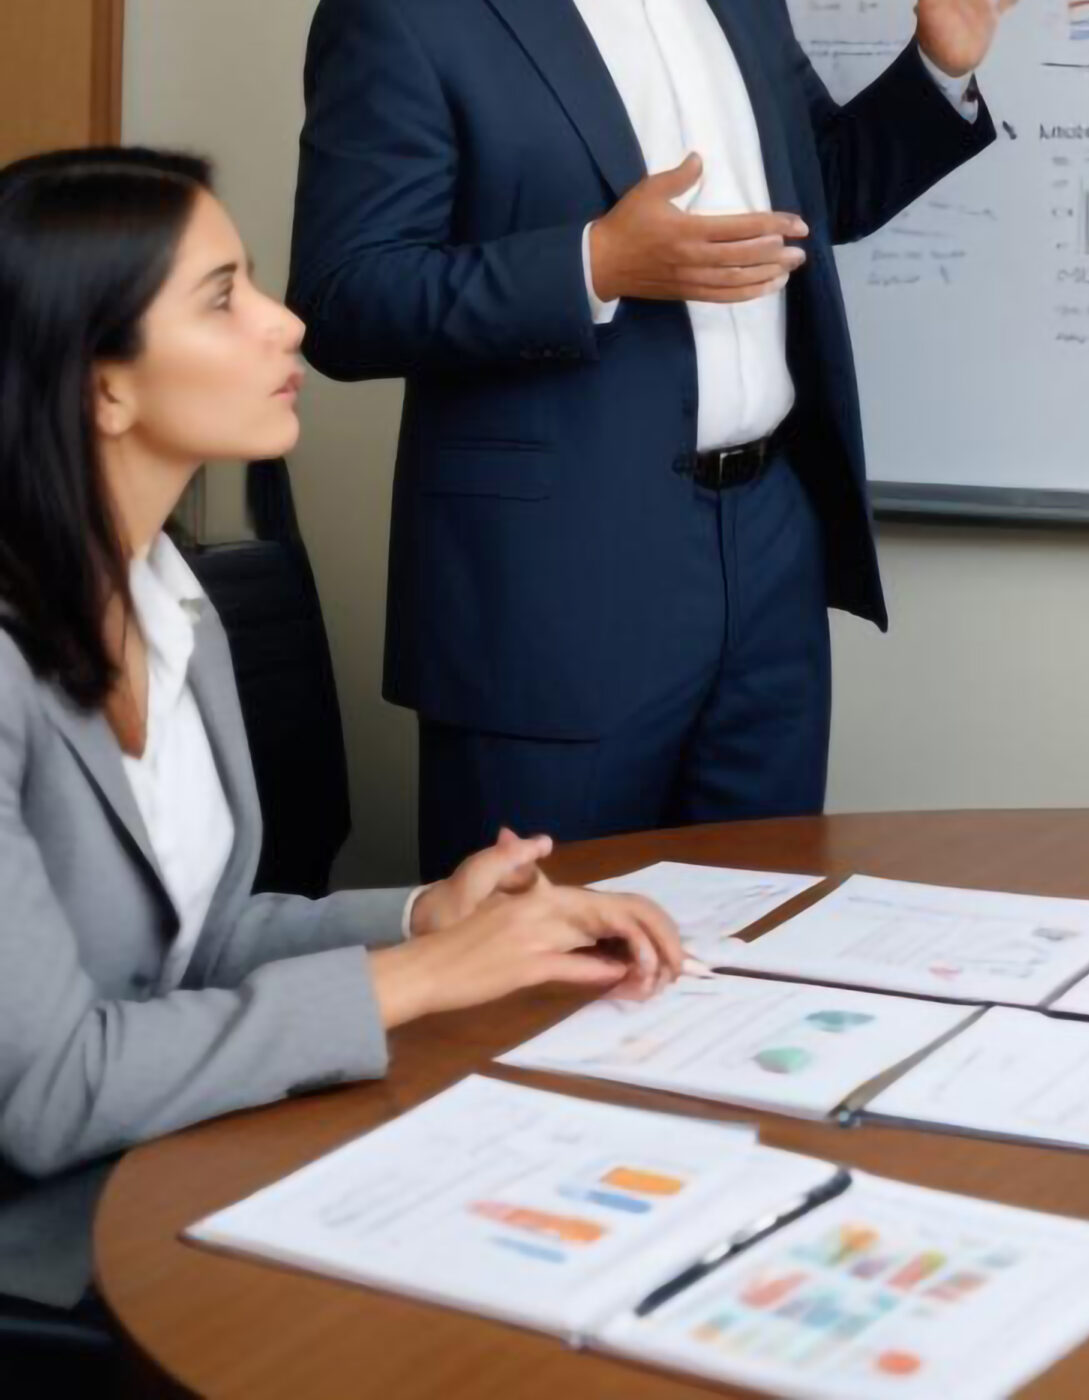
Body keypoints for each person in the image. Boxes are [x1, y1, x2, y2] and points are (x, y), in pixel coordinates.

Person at [289, 0, 1021, 876]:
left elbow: (814, 201)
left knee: (756, 935)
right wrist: (593, 265)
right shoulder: (400, 14)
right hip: (550, 584)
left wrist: (935, 76)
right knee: (536, 977)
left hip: (768, 550)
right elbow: (347, 302)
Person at [0, 146, 685, 1328]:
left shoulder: (176, 608)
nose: (287, 324)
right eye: (224, 298)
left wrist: (429, 916)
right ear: (99, 385)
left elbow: (194, 941)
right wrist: (416, 981)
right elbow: (51, 1089)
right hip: (58, 1241)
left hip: (190, 1162)